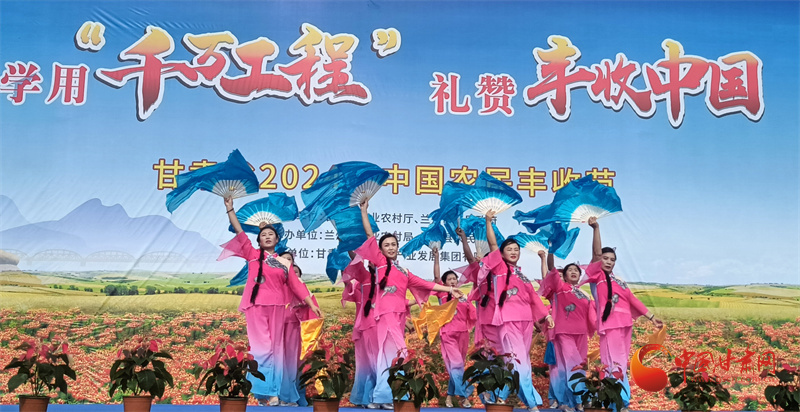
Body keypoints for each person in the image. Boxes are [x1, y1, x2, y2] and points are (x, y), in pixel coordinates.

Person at [355, 199, 464, 410]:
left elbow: (426, 284)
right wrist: (364, 211)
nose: (391, 247)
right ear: (380, 250)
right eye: (386, 245)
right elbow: (370, 235)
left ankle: (380, 397)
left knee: (389, 356)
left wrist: (450, 290)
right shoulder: (379, 264)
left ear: (398, 247)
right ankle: (383, 396)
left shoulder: (404, 271)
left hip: (398, 317)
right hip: (385, 316)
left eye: (393, 244)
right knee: (400, 353)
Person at [220, 197, 322, 406]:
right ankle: (262, 390)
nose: (267, 237)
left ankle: (272, 392)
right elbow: (240, 232)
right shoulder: (252, 255)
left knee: (276, 350)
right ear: (259, 241)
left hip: (277, 307)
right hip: (256, 306)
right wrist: (230, 209)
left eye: (271, 234)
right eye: (263, 235)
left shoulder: (284, 262)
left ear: (277, 240)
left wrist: (312, 304)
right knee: (262, 348)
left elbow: (296, 285)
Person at [469, 210, 553, 412]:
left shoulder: (521, 274)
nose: (514, 252)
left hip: (525, 322)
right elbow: (492, 244)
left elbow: (533, 297)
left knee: (516, 362)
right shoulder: (499, 267)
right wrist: (488, 222)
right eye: (509, 249)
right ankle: (531, 403)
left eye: (516, 249)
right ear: (502, 253)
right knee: (518, 362)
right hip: (508, 321)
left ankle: (499, 397)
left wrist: (546, 315)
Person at [583, 217, 663, 412]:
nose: (608, 262)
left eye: (612, 260)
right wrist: (596, 228)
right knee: (612, 363)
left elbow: (632, 300)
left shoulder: (619, 281)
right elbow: (596, 253)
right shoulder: (596, 276)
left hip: (625, 325)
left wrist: (652, 318)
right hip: (609, 326)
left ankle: (618, 402)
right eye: (605, 258)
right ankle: (618, 402)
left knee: (619, 363)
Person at [537, 250, 597, 412]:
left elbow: (592, 315)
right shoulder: (560, 287)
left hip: (581, 333)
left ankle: (573, 401)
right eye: (569, 270)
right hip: (563, 332)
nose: (573, 272)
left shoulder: (584, 294)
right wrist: (550, 252)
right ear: (564, 275)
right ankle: (576, 398)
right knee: (572, 364)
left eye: (576, 270)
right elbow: (551, 269)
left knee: (575, 366)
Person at [432, 246, 476, 408]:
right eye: (449, 279)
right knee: (456, 365)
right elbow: (436, 277)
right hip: (448, 334)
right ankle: (465, 396)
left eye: (454, 279)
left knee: (456, 366)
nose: (452, 281)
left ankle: (450, 396)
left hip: (462, 334)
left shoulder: (463, 297)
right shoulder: (442, 294)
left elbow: (472, 314)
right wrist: (437, 258)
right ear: (444, 283)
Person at [279, 264, 320, 406]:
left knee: (297, 364)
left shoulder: (304, 290)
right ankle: (283, 396)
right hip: (280, 328)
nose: (293, 274)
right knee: (282, 363)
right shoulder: (278, 288)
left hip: (296, 328)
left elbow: (312, 310)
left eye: (296, 272)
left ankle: (297, 395)